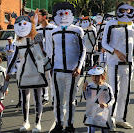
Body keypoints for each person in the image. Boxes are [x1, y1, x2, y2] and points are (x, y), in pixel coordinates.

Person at [6, 11, 48, 132]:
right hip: (23, 72)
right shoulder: (18, 42)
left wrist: (39, 46)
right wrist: (8, 73)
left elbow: (44, 54)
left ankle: (37, 123)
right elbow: (14, 58)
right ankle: (25, 122)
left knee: (37, 97)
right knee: (25, 99)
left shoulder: (38, 38)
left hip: (36, 71)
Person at [50, 2, 86, 133]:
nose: (63, 16)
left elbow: (83, 50)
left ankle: (70, 124)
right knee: (57, 100)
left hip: (72, 71)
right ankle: (59, 124)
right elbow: (52, 51)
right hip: (57, 70)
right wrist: (50, 68)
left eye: (66, 13)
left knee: (70, 100)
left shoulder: (77, 30)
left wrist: (79, 66)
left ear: (71, 14)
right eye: (60, 13)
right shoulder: (54, 31)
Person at [102, 1, 134, 130]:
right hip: (114, 62)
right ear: (117, 10)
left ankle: (121, 118)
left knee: (125, 92)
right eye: (122, 10)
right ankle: (110, 119)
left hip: (129, 63)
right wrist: (115, 51)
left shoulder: (132, 24)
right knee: (114, 91)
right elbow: (104, 43)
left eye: (128, 10)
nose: (125, 12)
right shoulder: (111, 24)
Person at [83, 67, 115, 133]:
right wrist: (84, 90)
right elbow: (86, 98)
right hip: (92, 110)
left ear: (102, 77)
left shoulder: (107, 87)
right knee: (91, 129)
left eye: (97, 76)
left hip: (104, 111)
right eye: (93, 76)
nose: (94, 78)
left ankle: (112, 120)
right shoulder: (90, 86)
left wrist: (107, 105)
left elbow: (112, 99)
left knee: (104, 129)